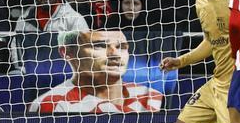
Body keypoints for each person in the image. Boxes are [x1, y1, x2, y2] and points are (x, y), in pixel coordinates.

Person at [29, 29, 163, 114]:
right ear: (67, 52)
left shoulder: (151, 97)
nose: (115, 54)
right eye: (100, 45)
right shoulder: (54, 104)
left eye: (121, 47)